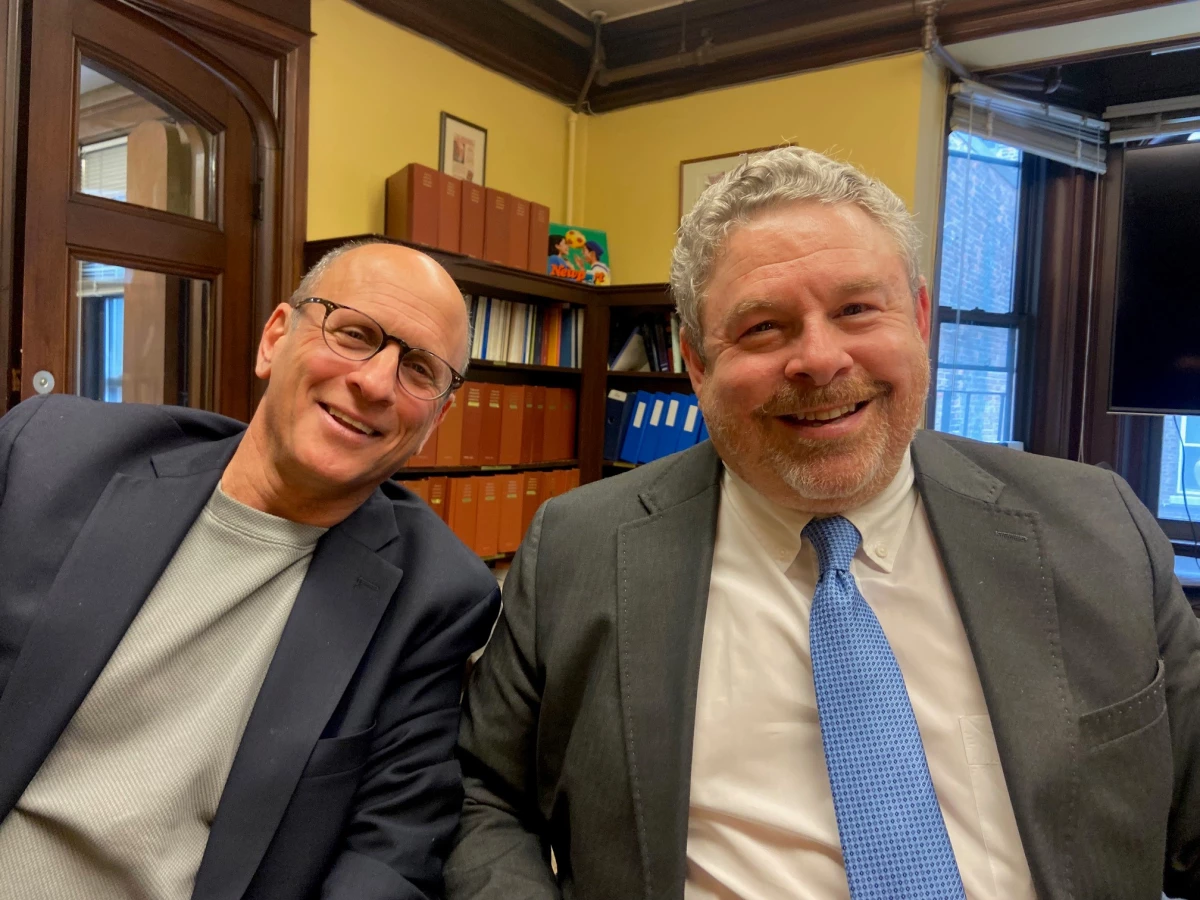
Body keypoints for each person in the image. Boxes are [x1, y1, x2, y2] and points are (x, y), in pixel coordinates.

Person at [445, 146, 1200, 899]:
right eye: (765, 328)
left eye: (856, 310)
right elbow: (486, 796)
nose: (819, 359)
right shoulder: (576, 546)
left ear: (920, 318)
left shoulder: (1100, 530)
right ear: (698, 364)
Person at [0, 240, 501, 899]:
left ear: (434, 418)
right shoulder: (52, 454)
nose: (376, 383)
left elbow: (390, 855)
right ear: (275, 339)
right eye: (355, 334)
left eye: (417, 370)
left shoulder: (436, 598)